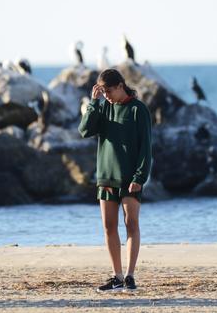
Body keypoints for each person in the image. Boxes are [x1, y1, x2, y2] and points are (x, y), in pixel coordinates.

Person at [78, 68, 153, 292]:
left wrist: (140, 177)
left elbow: (146, 148)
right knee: (109, 226)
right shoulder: (103, 107)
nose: (107, 95)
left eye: (109, 91)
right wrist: (94, 103)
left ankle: (130, 276)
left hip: (131, 178)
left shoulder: (138, 110)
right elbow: (84, 130)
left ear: (120, 85)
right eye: (103, 91)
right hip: (107, 176)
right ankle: (117, 276)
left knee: (131, 224)